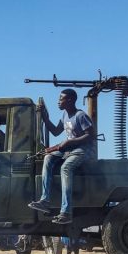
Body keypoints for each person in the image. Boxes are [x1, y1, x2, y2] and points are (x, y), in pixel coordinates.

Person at [28, 89, 95, 224]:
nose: (58, 101)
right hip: (69, 149)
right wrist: (44, 116)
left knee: (66, 168)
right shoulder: (65, 115)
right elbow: (55, 131)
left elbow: (90, 135)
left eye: (61, 99)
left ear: (70, 100)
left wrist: (70, 142)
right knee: (48, 157)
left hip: (83, 150)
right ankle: (45, 201)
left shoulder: (80, 115)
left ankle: (66, 212)